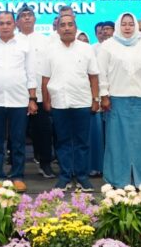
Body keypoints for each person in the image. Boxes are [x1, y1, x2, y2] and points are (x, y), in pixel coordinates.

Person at [98, 12, 141, 188]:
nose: (127, 27)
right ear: (118, 26)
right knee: (117, 142)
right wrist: (104, 95)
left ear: (136, 26)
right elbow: (102, 73)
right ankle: (118, 181)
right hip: (116, 100)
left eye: (131, 24)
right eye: (124, 24)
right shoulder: (108, 46)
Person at [0, 11, 38, 193]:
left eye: (8, 23)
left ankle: (17, 176)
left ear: (14, 24)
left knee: (18, 141)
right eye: (1, 23)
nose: (5, 26)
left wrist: (32, 99)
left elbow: (31, 74)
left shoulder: (24, 45)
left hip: (19, 100)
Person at [41, 14, 101, 192]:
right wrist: (46, 100)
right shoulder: (50, 50)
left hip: (82, 101)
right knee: (62, 141)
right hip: (59, 102)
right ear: (57, 29)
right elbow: (45, 78)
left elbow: (93, 76)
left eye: (70, 25)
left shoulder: (86, 48)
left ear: (76, 27)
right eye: (63, 25)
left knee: (82, 142)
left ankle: (82, 177)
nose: (66, 28)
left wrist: (95, 99)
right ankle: (65, 176)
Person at [16, 4, 55, 179]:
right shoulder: (13, 41)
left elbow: (51, 67)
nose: (26, 17)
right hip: (17, 95)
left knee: (43, 131)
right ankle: (16, 168)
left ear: (35, 19)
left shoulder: (46, 41)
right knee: (17, 134)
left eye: (29, 14)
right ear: (17, 21)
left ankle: (45, 163)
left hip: (40, 93)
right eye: (23, 15)